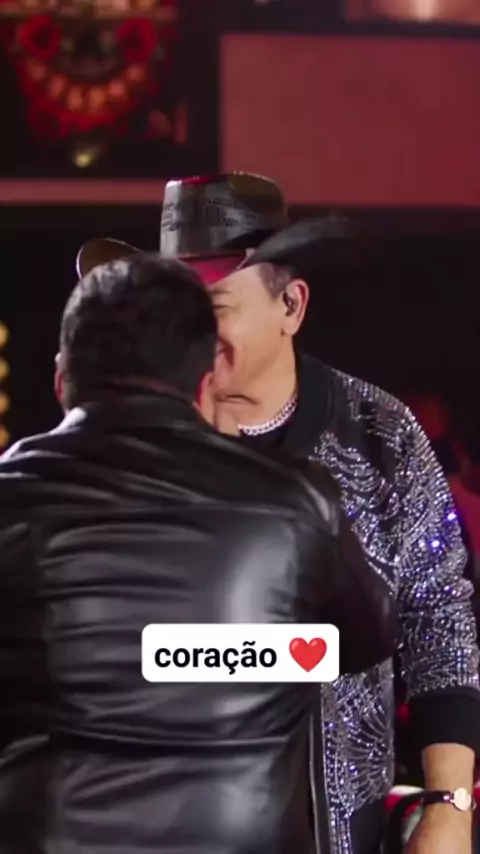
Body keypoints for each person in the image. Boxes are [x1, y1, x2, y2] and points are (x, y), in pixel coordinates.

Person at [78, 173, 480, 854]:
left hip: (343, 831)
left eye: (213, 307)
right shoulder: (135, 442)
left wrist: (449, 804)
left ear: (290, 305)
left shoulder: (378, 434)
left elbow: (437, 621)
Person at [0, 254, 397, 854]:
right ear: (208, 381)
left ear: (62, 383)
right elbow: (364, 639)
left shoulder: (10, 498)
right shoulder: (296, 500)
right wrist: (218, 653)